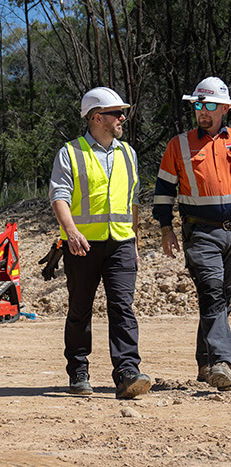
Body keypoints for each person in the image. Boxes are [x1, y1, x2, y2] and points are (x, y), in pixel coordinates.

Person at [49, 86, 151, 399]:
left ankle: (127, 371)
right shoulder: (71, 152)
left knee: (123, 307)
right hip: (82, 244)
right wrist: (71, 231)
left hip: (121, 243)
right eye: (116, 113)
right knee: (80, 308)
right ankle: (78, 369)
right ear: (97, 117)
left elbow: (132, 199)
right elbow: (59, 196)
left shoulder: (128, 153)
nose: (123, 118)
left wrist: (135, 237)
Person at [154, 77, 231, 391]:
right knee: (212, 292)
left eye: (210, 105)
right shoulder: (179, 144)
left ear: (225, 108)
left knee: (222, 299)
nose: (203, 111)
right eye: (198, 105)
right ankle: (222, 363)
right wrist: (165, 228)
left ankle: (204, 360)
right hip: (200, 232)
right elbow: (163, 191)